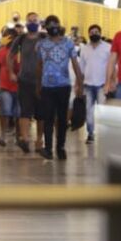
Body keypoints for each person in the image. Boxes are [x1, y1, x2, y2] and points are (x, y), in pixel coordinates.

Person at [36, 15, 84, 161]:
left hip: (64, 86)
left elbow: (75, 63)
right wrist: (38, 85)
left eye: (55, 23)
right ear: (46, 28)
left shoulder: (68, 43)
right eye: (50, 24)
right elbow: (39, 65)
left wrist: (80, 83)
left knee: (62, 119)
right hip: (47, 87)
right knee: (48, 118)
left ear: (59, 25)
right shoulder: (41, 45)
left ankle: (61, 148)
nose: (53, 26)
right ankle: (48, 148)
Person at [11, 12, 46, 153]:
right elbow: (10, 55)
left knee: (41, 113)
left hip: (41, 81)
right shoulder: (21, 39)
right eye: (30, 20)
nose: (32, 23)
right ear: (26, 23)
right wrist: (11, 72)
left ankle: (39, 140)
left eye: (34, 20)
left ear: (39, 23)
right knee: (24, 111)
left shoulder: (45, 38)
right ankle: (24, 139)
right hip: (24, 80)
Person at [78, 24, 111, 145]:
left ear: (100, 33)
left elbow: (112, 66)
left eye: (97, 31)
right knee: (89, 111)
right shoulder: (84, 49)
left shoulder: (108, 48)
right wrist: (79, 85)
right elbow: (81, 68)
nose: (94, 34)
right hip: (88, 85)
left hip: (102, 84)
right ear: (89, 34)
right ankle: (90, 134)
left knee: (104, 111)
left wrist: (111, 82)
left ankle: (105, 134)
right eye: (92, 32)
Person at [0, 30, 20, 148]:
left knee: (18, 113)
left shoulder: (20, 53)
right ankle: (2, 135)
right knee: (5, 111)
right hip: (4, 86)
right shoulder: (1, 52)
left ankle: (19, 136)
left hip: (19, 87)